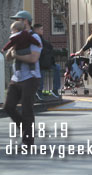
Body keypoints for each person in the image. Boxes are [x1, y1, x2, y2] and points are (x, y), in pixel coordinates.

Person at [3, 10, 42, 148]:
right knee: (8, 107)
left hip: (30, 78)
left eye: (18, 19)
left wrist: (16, 56)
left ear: (25, 21)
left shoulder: (34, 37)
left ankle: (27, 141)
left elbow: (33, 58)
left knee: (27, 109)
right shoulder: (16, 36)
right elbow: (8, 57)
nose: (16, 21)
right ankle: (26, 130)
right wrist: (9, 53)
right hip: (16, 77)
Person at [33, 24, 61, 99]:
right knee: (41, 70)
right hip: (39, 61)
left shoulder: (41, 38)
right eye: (41, 29)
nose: (43, 31)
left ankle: (55, 89)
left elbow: (47, 46)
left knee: (57, 67)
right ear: (36, 30)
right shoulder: (35, 37)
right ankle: (39, 90)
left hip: (46, 61)